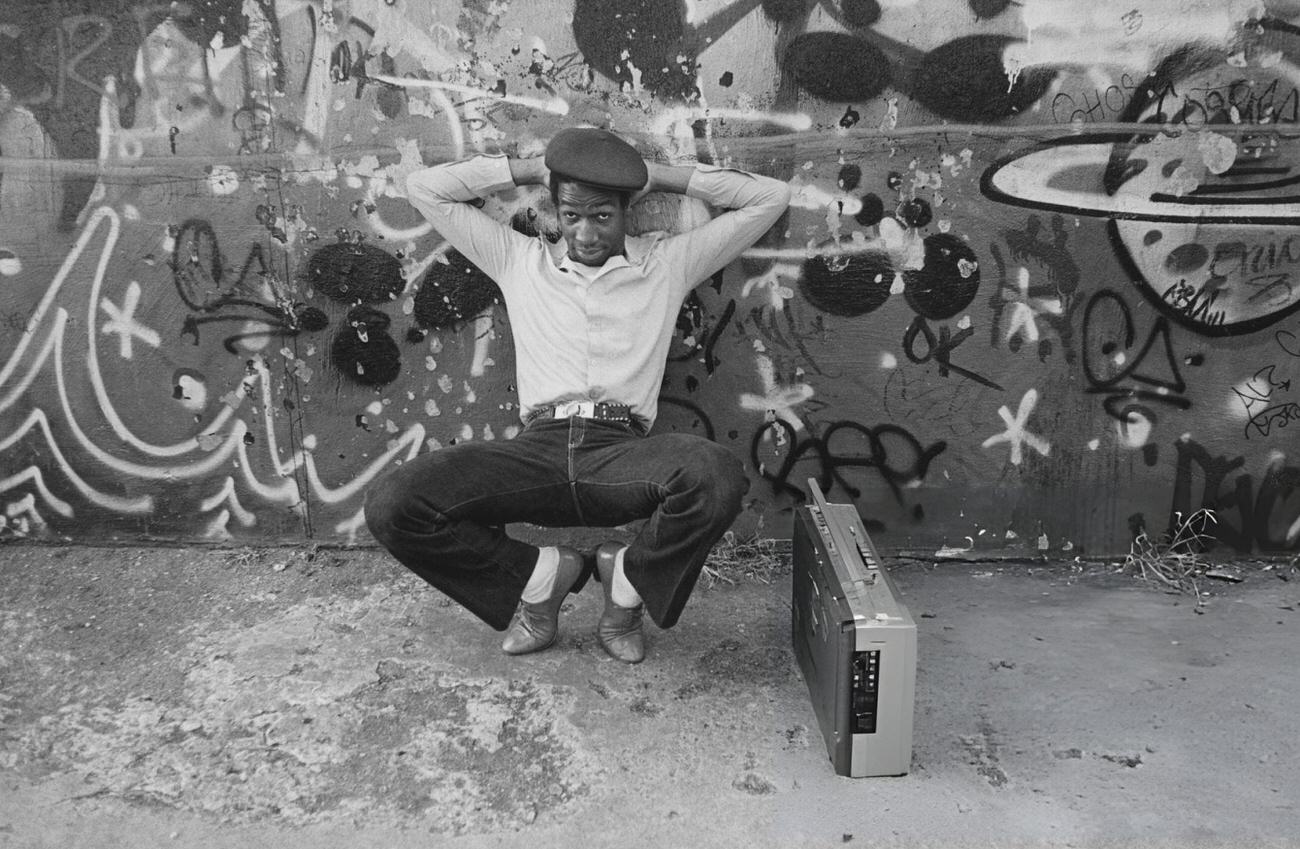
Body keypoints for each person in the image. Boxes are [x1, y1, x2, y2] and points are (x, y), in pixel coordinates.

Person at [364, 127, 791, 663]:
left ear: (627, 210)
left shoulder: (666, 264)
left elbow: (769, 197)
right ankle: (543, 579)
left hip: (621, 453)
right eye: (572, 216)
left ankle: (626, 589)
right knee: (392, 504)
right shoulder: (519, 261)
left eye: (602, 216)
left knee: (716, 476)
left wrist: (648, 174)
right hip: (536, 450)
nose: (585, 233)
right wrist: (531, 169)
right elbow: (426, 188)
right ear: (558, 213)